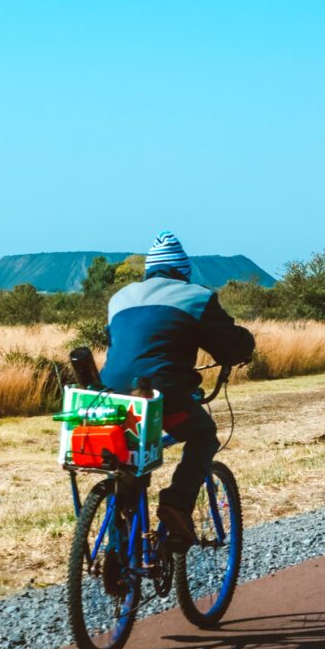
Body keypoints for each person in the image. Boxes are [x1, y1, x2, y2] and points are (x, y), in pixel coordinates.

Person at [102, 231, 254, 549]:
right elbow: (227, 344)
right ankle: (176, 503)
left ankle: (121, 543)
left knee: (132, 456)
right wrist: (244, 347)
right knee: (203, 435)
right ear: (183, 272)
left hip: (110, 396)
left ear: (148, 271)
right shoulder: (196, 297)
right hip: (162, 397)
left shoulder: (120, 297)